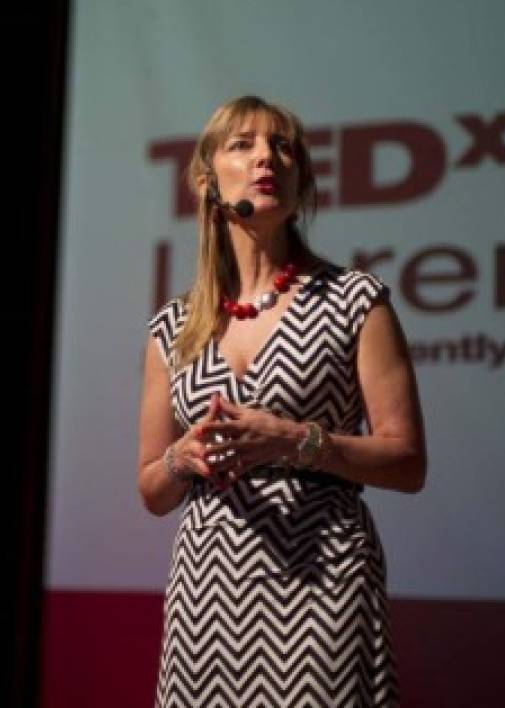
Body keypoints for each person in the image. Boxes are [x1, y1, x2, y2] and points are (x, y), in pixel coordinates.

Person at [138, 95, 426, 707]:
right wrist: (180, 460)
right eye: (243, 144)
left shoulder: (355, 300)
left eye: (283, 146)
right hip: (207, 591)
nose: (267, 155)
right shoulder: (172, 326)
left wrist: (294, 441)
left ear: (302, 182)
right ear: (205, 178)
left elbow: (407, 463)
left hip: (321, 578)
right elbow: (151, 490)